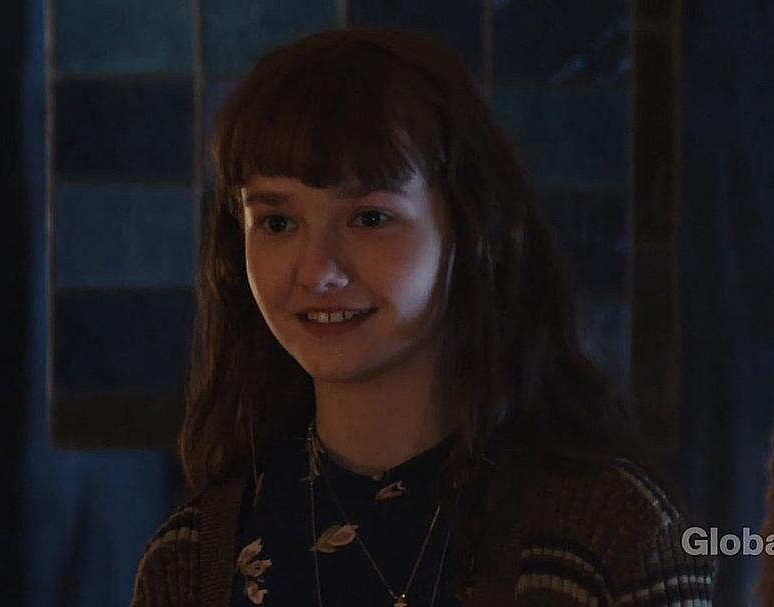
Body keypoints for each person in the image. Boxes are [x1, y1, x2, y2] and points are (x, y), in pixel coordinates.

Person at [131, 28, 716, 607]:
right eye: (278, 223)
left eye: (369, 218)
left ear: (467, 229)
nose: (317, 271)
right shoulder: (194, 561)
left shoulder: (606, 533)